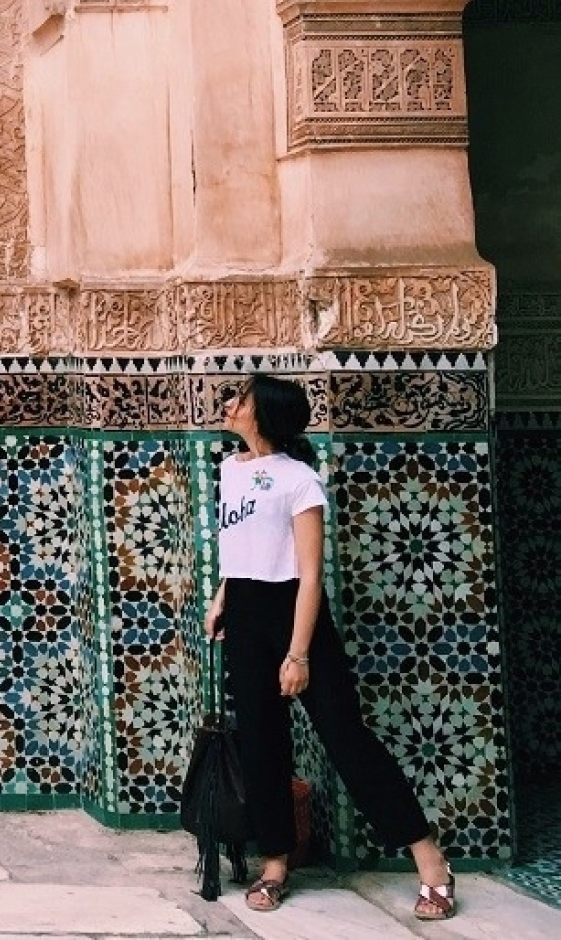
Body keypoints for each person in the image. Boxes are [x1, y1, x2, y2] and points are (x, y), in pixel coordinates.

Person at [204, 373, 456, 920]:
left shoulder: (300, 481)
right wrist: (222, 596)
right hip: (245, 614)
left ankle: (428, 857)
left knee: (346, 738)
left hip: (296, 616)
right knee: (261, 744)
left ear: (263, 412)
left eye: (240, 399)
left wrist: (298, 654)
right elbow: (241, 545)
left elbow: (310, 575)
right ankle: (275, 863)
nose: (230, 405)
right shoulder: (229, 469)